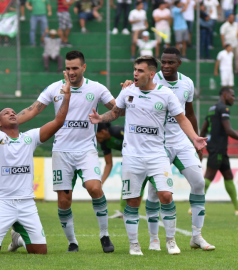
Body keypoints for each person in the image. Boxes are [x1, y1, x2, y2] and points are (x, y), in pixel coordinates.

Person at [89, 55, 207, 256]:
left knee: (166, 196)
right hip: (132, 156)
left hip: (157, 155)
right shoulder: (127, 92)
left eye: (140, 70)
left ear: (151, 74)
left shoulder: (166, 94)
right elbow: (116, 112)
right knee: (133, 201)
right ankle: (134, 244)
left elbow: (182, 118)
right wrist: (100, 117)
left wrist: (195, 138)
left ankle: (170, 241)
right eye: (135, 69)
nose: (135, 73)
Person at [0, 64, 71, 255]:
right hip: (1, 201)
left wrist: (67, 97)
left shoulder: (29, 137)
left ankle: (18, 238)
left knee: (40, 252)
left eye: (13, 111)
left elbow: (58, 122)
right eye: (6, 113)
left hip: (26, 202)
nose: (12, 113)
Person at [16, 51, 116, 253]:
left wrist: (102, 118)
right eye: (68, 68)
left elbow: (117, 109)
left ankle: (104, 235)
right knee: (64, 200)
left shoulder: (96, 88)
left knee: (94, 188)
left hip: (86, 150)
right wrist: (10, 123)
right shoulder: (55, 89)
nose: (71, 72)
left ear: (84, 68)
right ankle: (72, 242)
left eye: (75, 68)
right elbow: (33, 109)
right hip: (61, 151)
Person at [149, 48, 215, 251]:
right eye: (163, 62)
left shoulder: (187, 83)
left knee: (198, 183)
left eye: (171, 62)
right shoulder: (151, 81)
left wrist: (196, 140)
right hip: (158, 144)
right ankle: (154, 239)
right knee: (154, 192)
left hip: (181, 142)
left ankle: (197, 236)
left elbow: (190, 113)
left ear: (179, 63)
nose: (166, 66)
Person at [201, 87, 238, 215]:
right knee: (209, 176)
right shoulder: (223, 109)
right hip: (218, 148)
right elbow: (228, 130)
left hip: (217, 148)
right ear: (225, 95)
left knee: (228, 176)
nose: (233, 98)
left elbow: (203, 129)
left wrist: (201, 145)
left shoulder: (211, 109)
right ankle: (195, 206)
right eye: (232, 95)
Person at [96, 123, 126, 219]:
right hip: (129, 158)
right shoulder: (104, 143)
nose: (95, 138)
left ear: (103, 132)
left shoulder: (117, 132)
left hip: (141, 155)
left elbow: (136, 140)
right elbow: (109, 164)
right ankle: (124, 212)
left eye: (96, 135)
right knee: (126, 181)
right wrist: (101, 182)